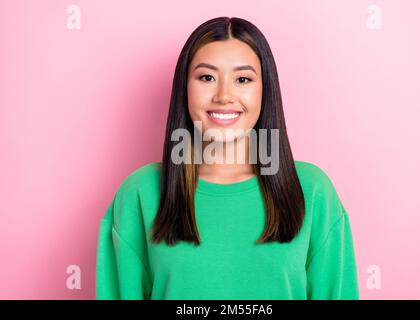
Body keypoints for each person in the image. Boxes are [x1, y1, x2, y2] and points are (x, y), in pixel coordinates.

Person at [96, 16, 359, 300]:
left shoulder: (313, 191)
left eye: (243, 79)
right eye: (207, 77)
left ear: (264, 90)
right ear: (185, 88)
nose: (224, 96)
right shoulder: (141, 193)